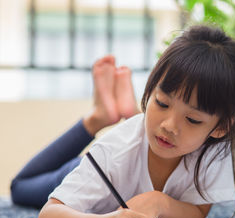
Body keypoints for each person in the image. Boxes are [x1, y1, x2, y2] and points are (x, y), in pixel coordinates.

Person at [36, 25, 235, 218]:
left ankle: (127, 113)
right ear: (150, 88)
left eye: (192, 120)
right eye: (162, 103)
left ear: (219, 128)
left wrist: (160, 202)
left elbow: (198, 212)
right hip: (89, 167)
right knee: (20, 187)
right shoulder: (112, 152)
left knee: (141, 138)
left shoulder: (213, 147)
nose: (170, 126)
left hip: (134, 148)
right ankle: (99, 117)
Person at [10, 55, 140, 209]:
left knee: (19, 186)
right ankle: (134, 121)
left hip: (95, 169)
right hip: (100, 170)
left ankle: (108, 118)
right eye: (162, 104)